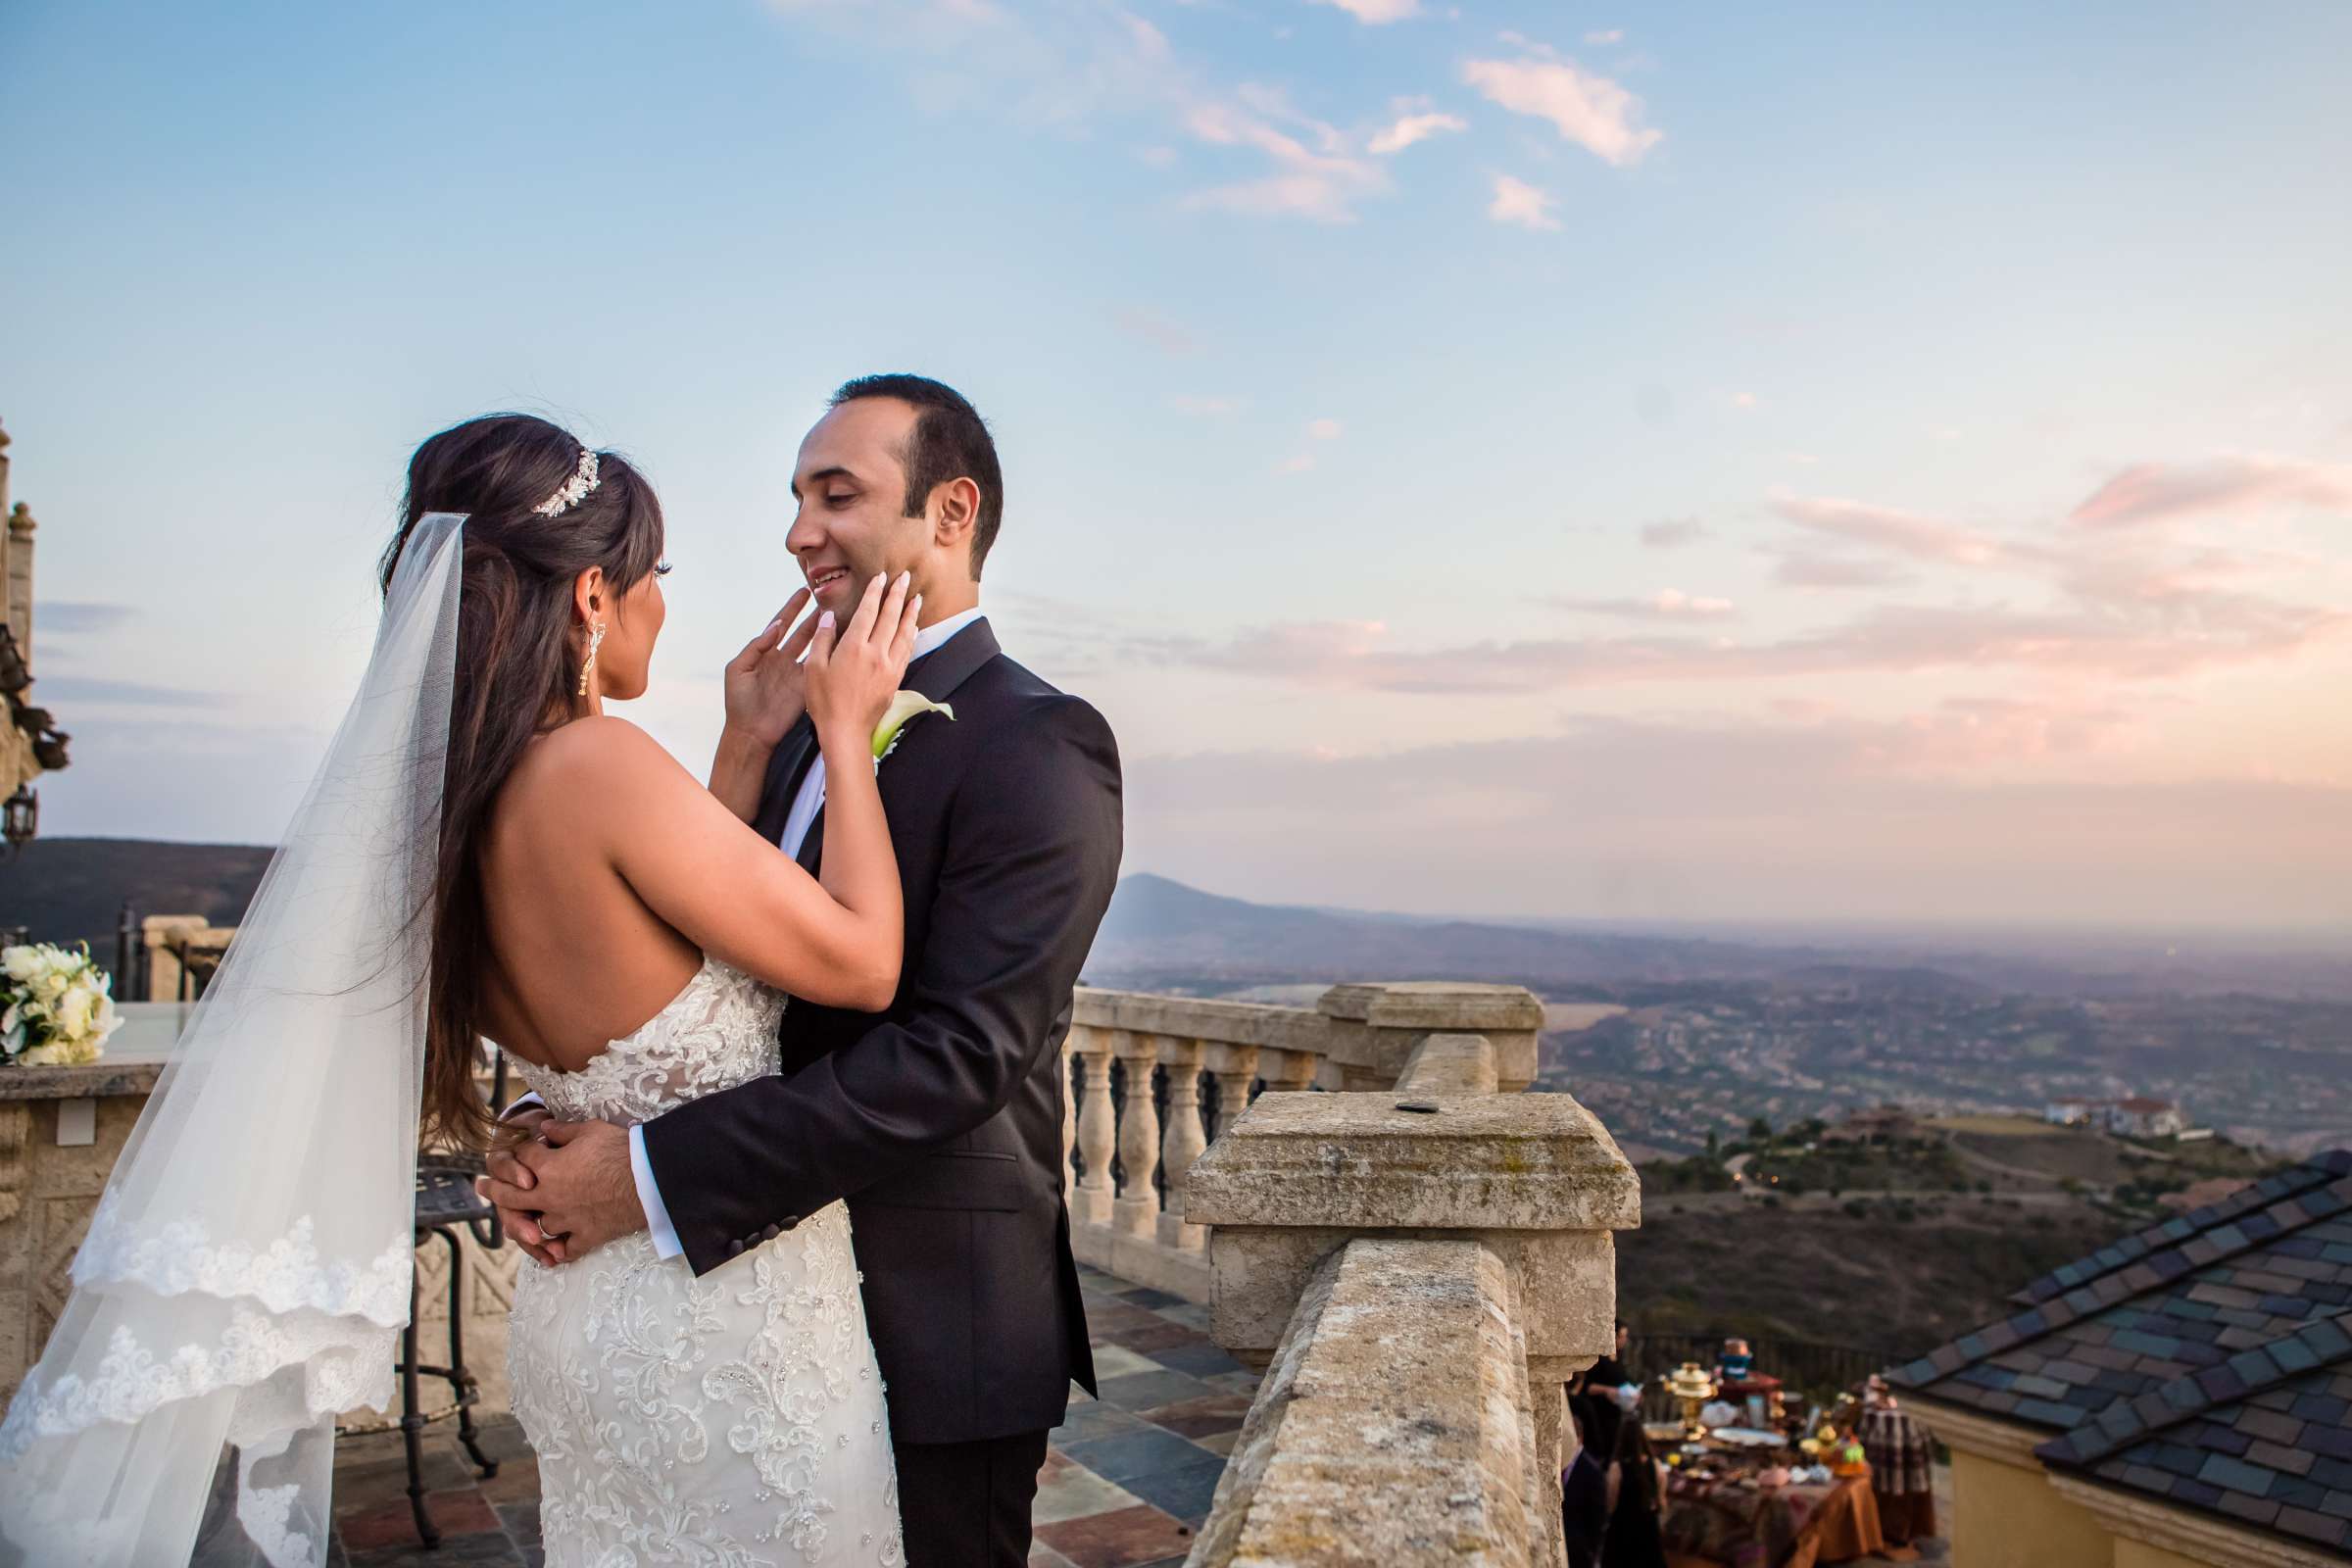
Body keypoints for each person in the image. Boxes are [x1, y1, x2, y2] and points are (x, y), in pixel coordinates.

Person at [0, 413, 929, 1564]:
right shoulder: (598, 768)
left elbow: (654, 949)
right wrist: (846, 730)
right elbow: (864, 960)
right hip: (729, 1326)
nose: (664, 606)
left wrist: (742, 747)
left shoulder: (445, 814)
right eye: (657, 577)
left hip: (589, 1314)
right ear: (593, 596)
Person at [482, 375, 1126, 1566]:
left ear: (951, 511)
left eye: (838, 494)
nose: (797, 531)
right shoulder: (787, 730)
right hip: (746, 1319)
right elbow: (689, 988)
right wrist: (565, 1108)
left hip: (933, 1322)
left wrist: (645, 1174)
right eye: (795, 498)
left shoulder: (1038, 740)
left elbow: (960, 1055)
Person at [1603, 1415, 1670, 1568]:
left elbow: (1610, 1503)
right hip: (1648, 1527)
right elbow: (1661, 1501)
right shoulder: (1655, 1465)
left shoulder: (1617, 1468)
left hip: (1622, 1528)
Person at [1561, 1396, 1612, 1568]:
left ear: (1579, 1438)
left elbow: (1598, 1518)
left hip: (1579, 1551)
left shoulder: (1593, 1472)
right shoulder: (1558, 1463)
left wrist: (1590, 1551)